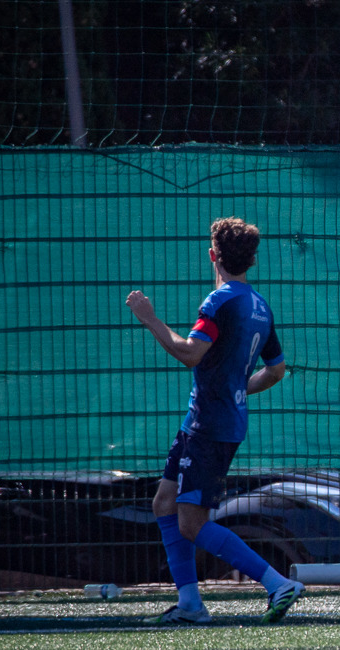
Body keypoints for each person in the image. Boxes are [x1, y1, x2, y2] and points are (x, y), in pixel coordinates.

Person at [126, 217, 304, 624]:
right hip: (206, 421)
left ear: (212, 255)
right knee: (164, 502)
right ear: (253, 260)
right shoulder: (260, 306)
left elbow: (190, 353)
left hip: (211, 425)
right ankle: (190, 604)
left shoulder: (219, 301)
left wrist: (149, 317)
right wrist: (237, 389)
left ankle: (277, 582)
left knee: (191, 523)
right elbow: (276, 371)